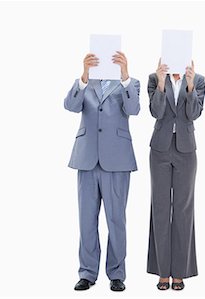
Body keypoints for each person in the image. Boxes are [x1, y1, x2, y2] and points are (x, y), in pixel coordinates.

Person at [64, 51, 140, 292]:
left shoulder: (130, 82)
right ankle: (87, 273)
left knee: (116, 219)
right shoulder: (86, 83)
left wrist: (125, 75)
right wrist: (84, 76)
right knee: (86, 220)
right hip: (86, 158)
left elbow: (134, 109)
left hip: (117, 160)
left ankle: (117, 274)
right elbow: (70, 106)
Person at [147, 59, 205, 291]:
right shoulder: (154, 78)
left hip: (186, 150)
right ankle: (162, 271)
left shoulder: (198, 80)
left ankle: (180, 271)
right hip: (160, 149)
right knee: (160, 208)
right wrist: (161, 82)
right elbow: (156, 111)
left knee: (183, 210)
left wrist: (190, 86)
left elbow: (193, 114)